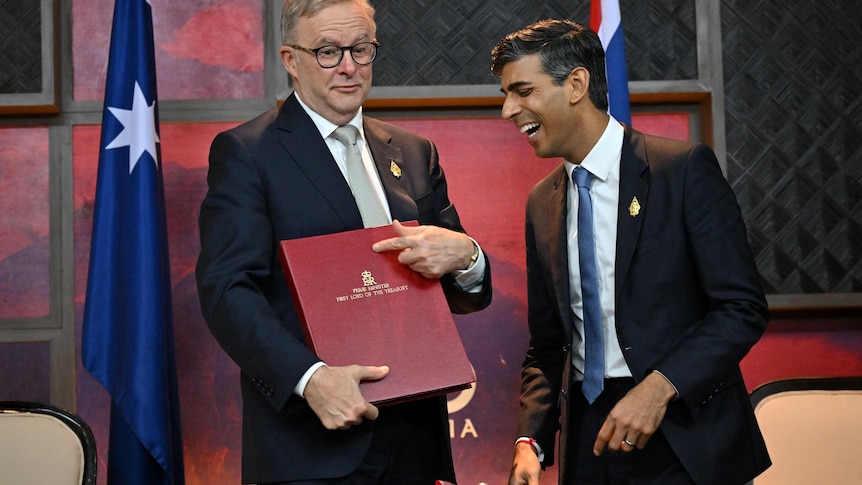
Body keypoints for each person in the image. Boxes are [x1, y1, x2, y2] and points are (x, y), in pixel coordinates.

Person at [195, 0, 492, 483]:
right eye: (329, 52)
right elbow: (227, 290)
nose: (349, 66)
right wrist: (309, 379)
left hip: (418, 439)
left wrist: (470, 257)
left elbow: (461, 290)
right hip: (311, 444)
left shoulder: (414, 153)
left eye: (361, 49)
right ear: (291, 60)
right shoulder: (248, 153)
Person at [490, 19, 770, 485]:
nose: (508, 110)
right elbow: (546, 347)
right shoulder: (542, 201)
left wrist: (660, 388)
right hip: (589, 444)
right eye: (506, 94)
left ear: (576, 84)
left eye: (522, 91)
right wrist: (530, 442)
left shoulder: (681, 171)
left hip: (685, 438)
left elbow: (741, 308)